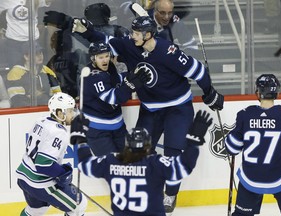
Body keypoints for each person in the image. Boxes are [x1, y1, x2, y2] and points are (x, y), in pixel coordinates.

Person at [72, 15, 224, 214]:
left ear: (148, 35)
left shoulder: (168, 52)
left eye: (136, 33)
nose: (132, 36)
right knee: (137, 153)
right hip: (150, 109)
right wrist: (88, 31)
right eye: (133, 32)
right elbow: (106, 44)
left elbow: (199, 72)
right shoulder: (130, 44)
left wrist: (209, 93)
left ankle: (170, 193)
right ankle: (150, 190)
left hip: (177, 109)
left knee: (173, 153)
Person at [70, 109, 213, 216]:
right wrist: (193, 143)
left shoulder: (111, 162)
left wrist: (81, 140)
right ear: (148, 146)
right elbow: (183, 167)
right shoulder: (155, 164)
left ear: (127, 144)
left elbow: (85, 165)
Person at [225, 74, 281, 216]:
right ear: (277, 93)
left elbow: (232, 148)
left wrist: (229, 138)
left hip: (251, 179)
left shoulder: (245, 114)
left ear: (257, 93)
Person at [16, 92, 87, 216]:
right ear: (59, 113)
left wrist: (60, 171)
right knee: (78, 205)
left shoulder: (41, 120)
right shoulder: (59, 132)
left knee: (35, 211)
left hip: (24, 176)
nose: (73, 114)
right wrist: (62, 173)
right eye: (70, 111)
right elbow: (44, 165)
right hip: (39, 183)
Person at [82, 41, 150, 156]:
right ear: (93, 58)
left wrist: (131, 75)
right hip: (97, 130)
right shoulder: (92, 75)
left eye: (107, 56)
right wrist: (130, 85)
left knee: (129, 162)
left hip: (118, 127)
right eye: (100, 57)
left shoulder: (110, 68)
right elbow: (113, 98)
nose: (105, 60)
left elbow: (116, 80)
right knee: (111, 167)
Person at [6, 41, 61, 107]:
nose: (40, 55)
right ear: (26, 57)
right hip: (25, 111)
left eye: (41, 52)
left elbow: (57, 94)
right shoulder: (15, 72)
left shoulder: (47, 71)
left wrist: (41, 96)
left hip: (45, 107)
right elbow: (16, 99)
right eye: (36, 53)